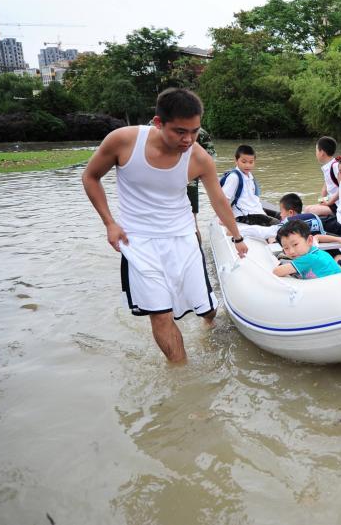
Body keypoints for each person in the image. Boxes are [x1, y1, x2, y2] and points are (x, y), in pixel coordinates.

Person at [82, 88, 248, 364]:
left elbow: (218, 200)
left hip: (182, 238)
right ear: (158, 123)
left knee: (205, 309)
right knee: (159, 313)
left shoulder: (198, 158)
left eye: (195, 131)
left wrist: (238, 237)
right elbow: (90, 177)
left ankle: (211, 323)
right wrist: (109, 223)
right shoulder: (123, 141)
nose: (188, 139)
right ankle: (182, 378)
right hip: (138, 242)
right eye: (180, 132)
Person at [220, 144, 278, 227]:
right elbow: (224, 199)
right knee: (275, 223)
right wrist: (224, 218)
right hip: (243, 215)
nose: (247, 165)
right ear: (236, 160)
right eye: (244, 162)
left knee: (280, 216)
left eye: (251, 162)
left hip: (254, 211)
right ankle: (271, 239)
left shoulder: (250, 176)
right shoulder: (234, 177)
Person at [272, 220, 341, 279]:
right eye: (286, 248)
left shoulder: (309, 258)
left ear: (309, 240)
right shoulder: (313, 250)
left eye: (295, 245)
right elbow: (318, 237)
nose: (291, 251)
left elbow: (276, 272)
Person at [186, 127, 216, 243]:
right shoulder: (153, 127)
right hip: (189, 183)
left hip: (189, 184)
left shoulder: (199, 132)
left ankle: (198, 255)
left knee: (192, 224)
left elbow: (209, 161)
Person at [304, 136, 340, 216]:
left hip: (339, 205)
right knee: (307, 208)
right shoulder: (328, 166)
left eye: (316, 150)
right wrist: (321, 202)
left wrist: (328, 203)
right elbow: (325, 188)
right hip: (332, 202)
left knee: (310, 210)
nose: (315, 153)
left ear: (322, 152)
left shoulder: (335, 166)